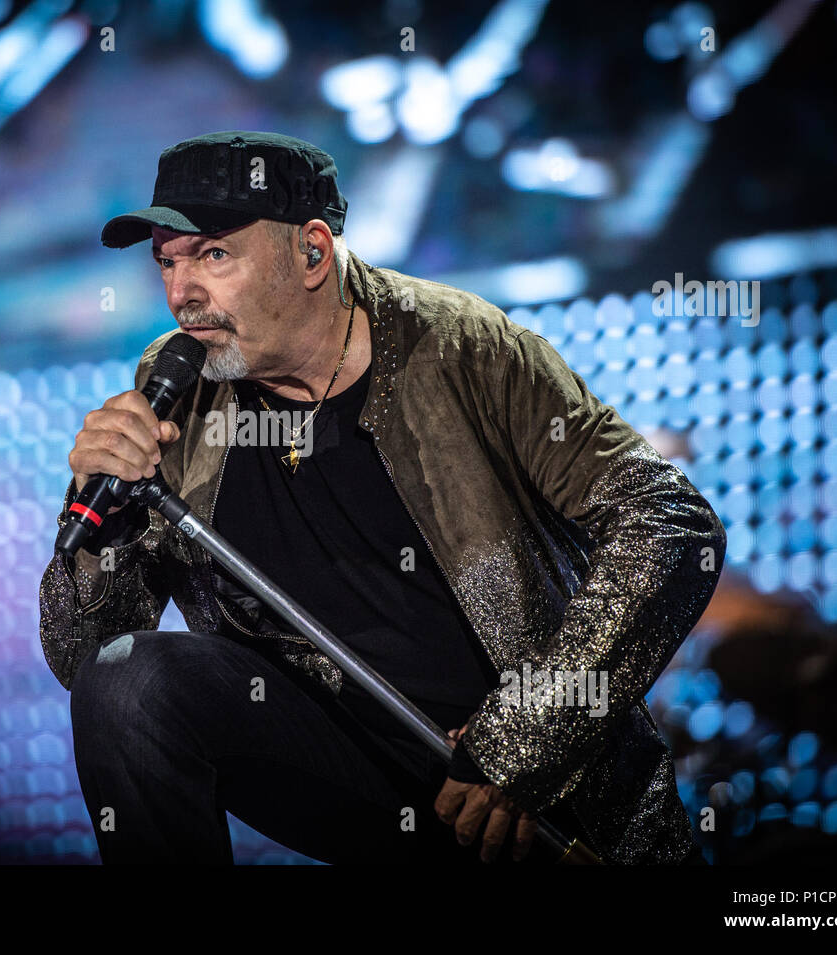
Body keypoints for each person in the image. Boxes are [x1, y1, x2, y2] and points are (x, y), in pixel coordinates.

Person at [39, 131, 725, 864]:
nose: (181, 294)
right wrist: (101, 518)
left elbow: (673, 524)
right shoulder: (175, 384)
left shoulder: (464, 348)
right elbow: (85, 658)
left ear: (311, 252)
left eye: (213, 254)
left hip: (527, 798)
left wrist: (526, 736)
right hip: (348, 768)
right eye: (167, 263)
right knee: (126, 680)